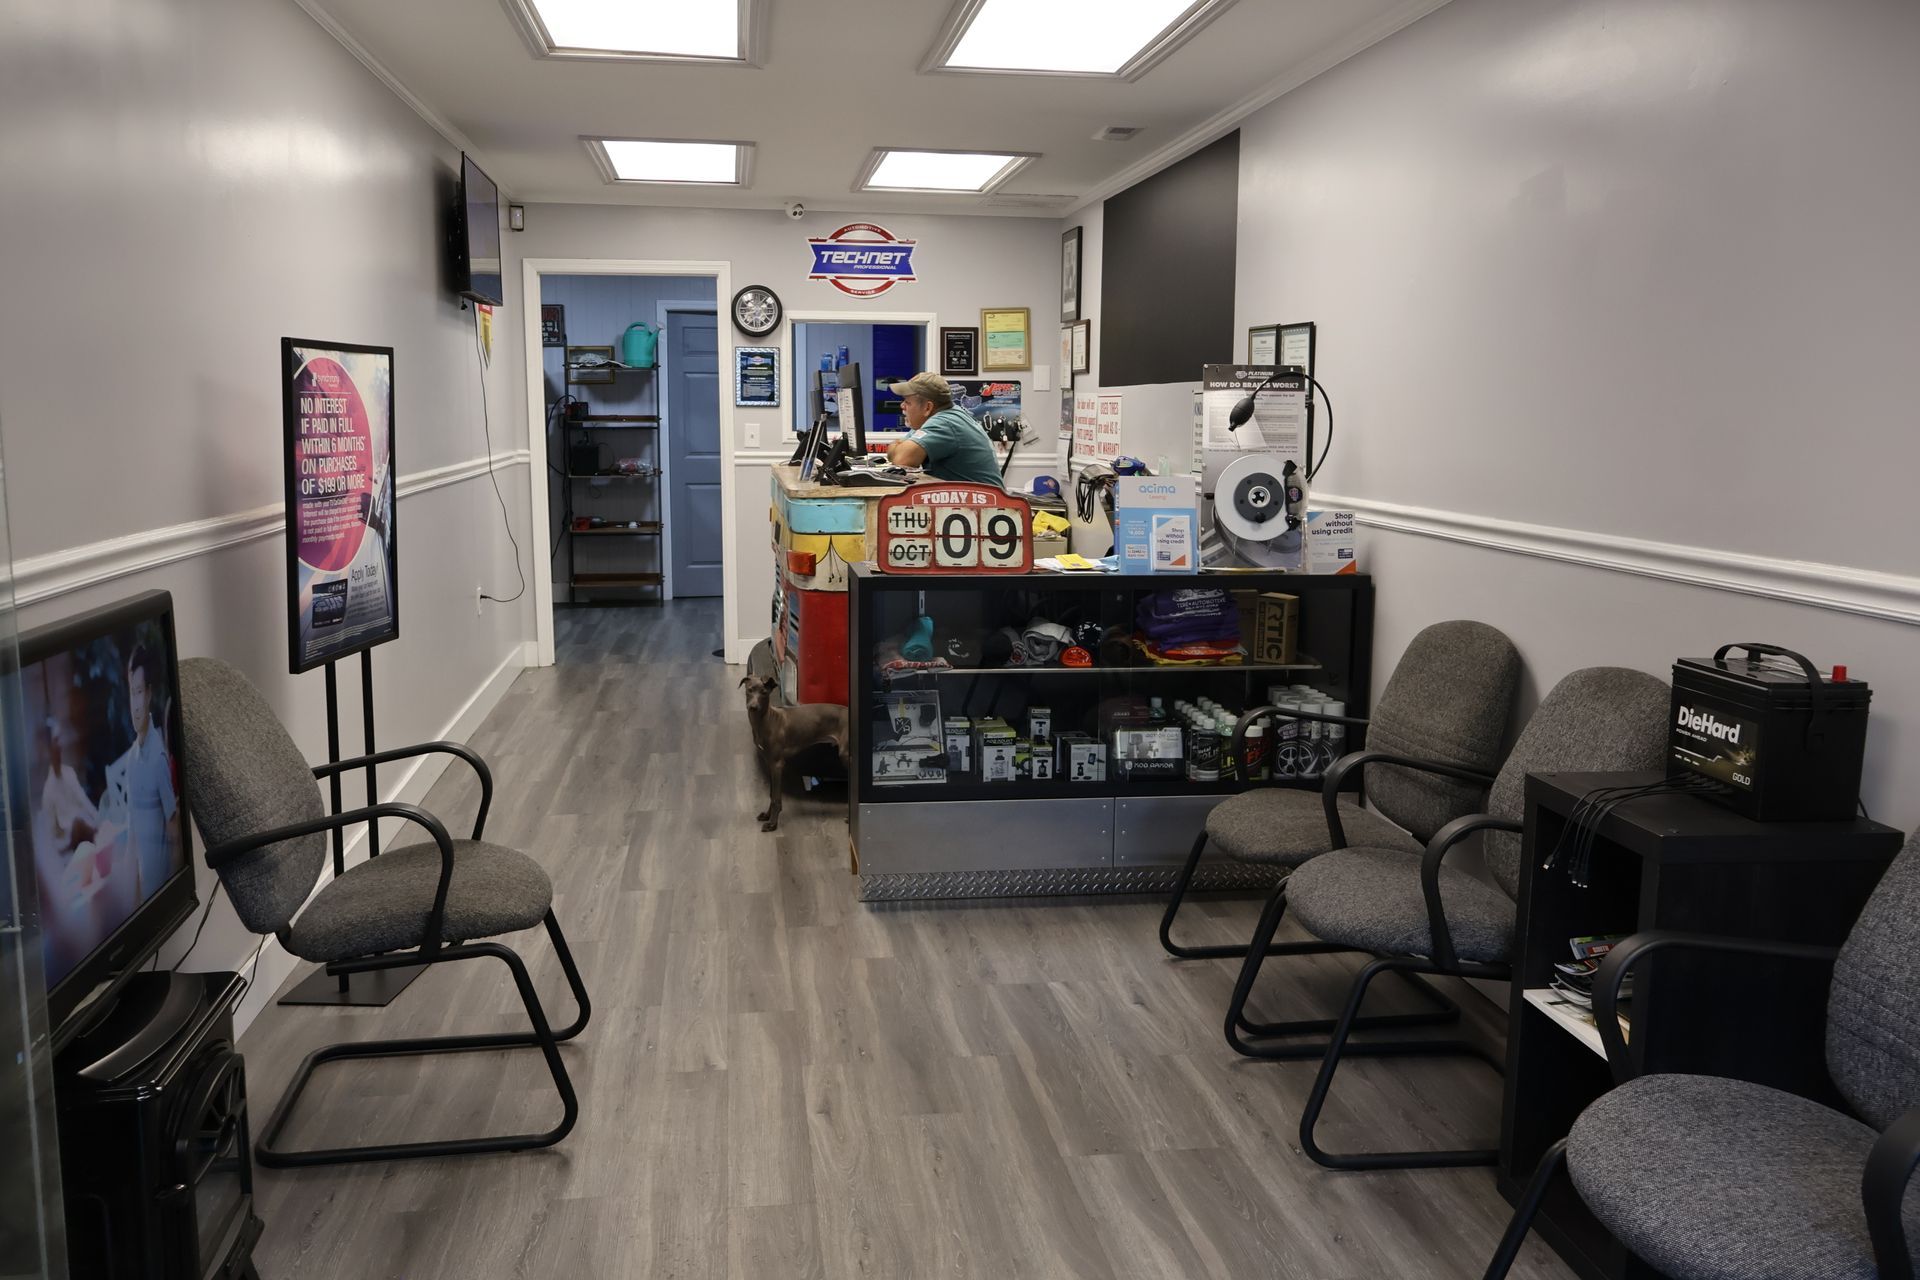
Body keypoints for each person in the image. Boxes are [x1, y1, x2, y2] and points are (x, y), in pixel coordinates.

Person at [105, 644, 180, 896]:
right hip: (142, 892)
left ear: (148, 694)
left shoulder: (158, 758)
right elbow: (132, 836)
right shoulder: (132, 758)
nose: (135, 703)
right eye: (131, 692)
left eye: (139, 692)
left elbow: (175, 838)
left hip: (160, 891)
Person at [884, 373, 1004, 488]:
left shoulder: (944, 423)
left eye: (907, 402)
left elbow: (902, 459)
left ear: (928, 407)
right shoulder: (943, 417)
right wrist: (899, 448)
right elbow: (898, 454)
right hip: (976, 504)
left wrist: (898, 447)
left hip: (988, 506)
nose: (902, 406)